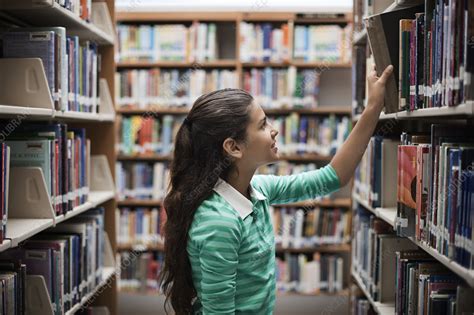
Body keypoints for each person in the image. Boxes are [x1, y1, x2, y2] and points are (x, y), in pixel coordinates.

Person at [159, 64, 394, 314]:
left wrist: (372, 109)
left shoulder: (256, 190)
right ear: (234, 147)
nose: (274, 130)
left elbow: (333, 177)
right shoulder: (219, 221)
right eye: (262, 125)